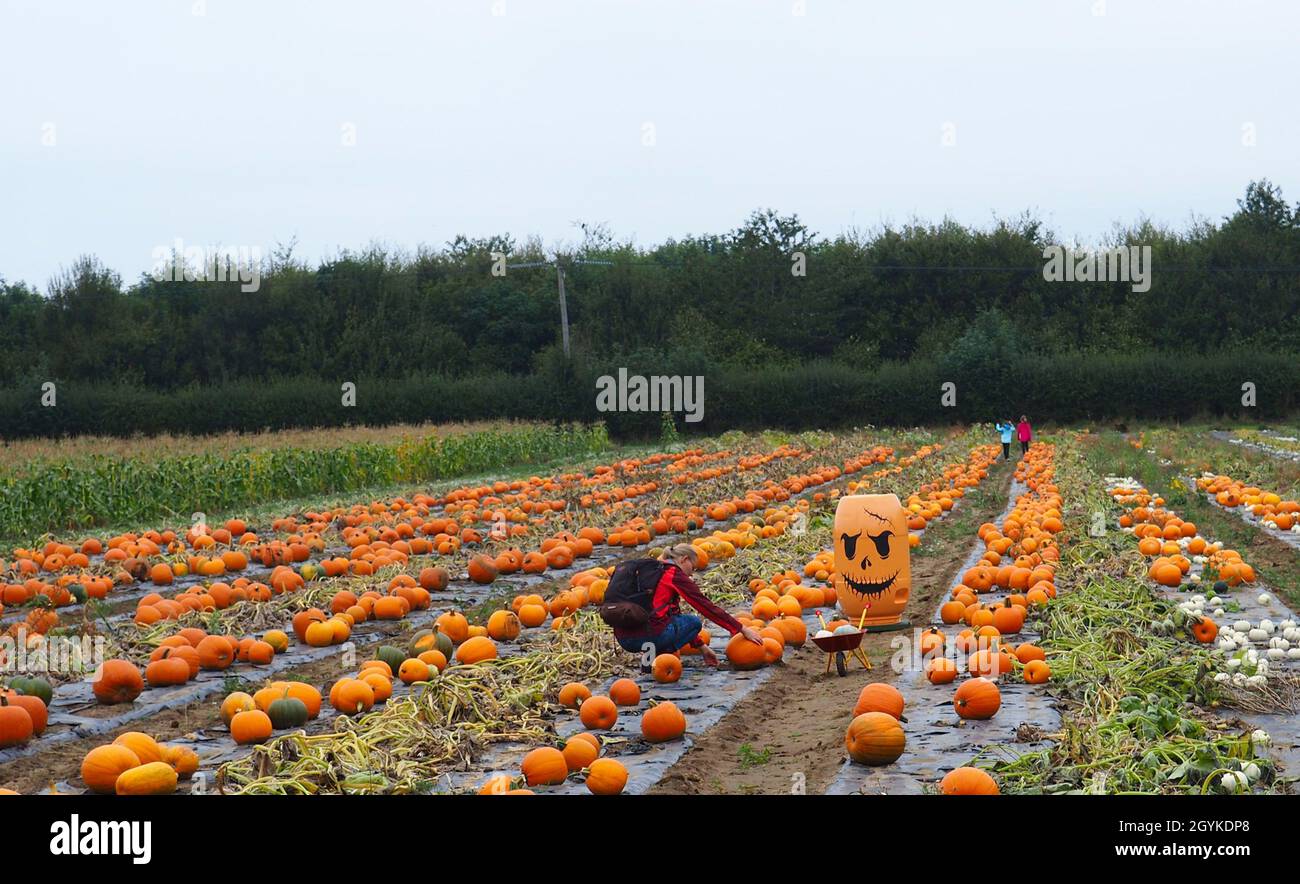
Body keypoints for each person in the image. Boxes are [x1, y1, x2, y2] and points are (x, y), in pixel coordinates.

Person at [603, 544, 763, 666]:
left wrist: (702, 647)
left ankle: (650, 667)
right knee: (693, 622)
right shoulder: (673, 574)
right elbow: (705, 606)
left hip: (624, 639)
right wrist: (740, 628)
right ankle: (659, 663)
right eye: (692, 568)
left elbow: (670, 612)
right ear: (684, 559)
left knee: (661, 621)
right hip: (651, 637)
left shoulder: (648, 571)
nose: (692, 573)